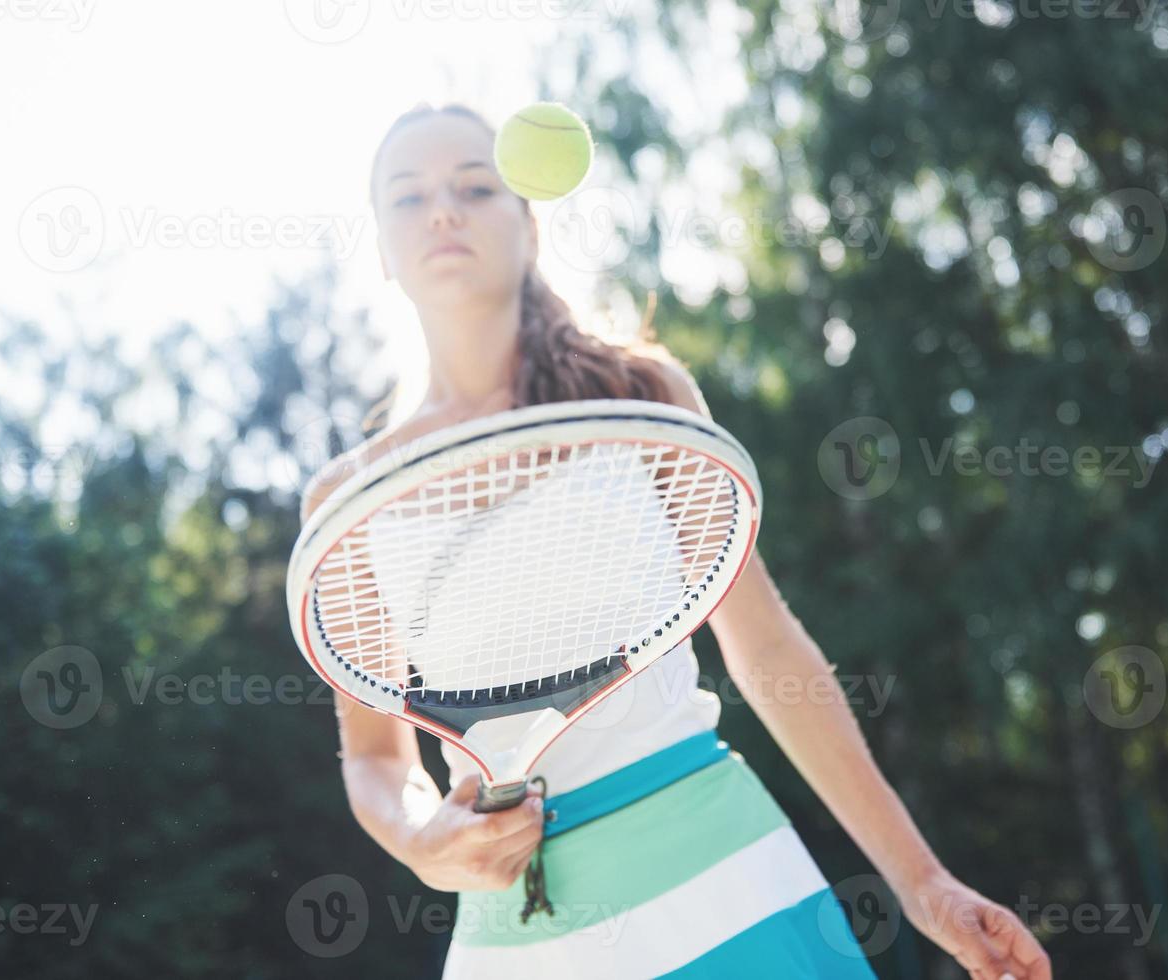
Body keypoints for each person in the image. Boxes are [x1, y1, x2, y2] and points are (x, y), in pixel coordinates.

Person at [298, 102, 1052, 980]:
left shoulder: (640, 394)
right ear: (383, 253)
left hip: (725, 880)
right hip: (514, 942)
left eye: (475, 185)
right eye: (407, 197)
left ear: (528, 225)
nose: (443, 211)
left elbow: (764, 646)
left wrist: (922, 883)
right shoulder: (346, 498)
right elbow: (376, 757)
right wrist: (421, 838)